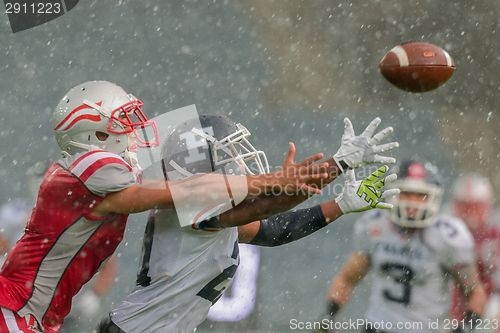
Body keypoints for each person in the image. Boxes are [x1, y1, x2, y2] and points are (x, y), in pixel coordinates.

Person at [0, 81, 325, 333]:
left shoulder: (100, 177)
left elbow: (262, 225)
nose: (132, 130)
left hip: (32, 312)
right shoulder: (88, 166)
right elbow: (186, 189)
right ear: (96, 134)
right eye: (122, 121)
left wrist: (338, 168)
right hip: (15, 308)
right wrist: (271, 180)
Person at [99, 114, 400, 333]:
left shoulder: (203, 213)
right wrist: (340, 163)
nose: (238, 161)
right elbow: (270, 203)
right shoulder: (191, 209)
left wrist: (340, 204)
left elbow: (273, 230)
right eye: (227, 154)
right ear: (195, 168)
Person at [316, 160, 487, 333]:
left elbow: (475, 293)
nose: (412, 203)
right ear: (393, 193)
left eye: (420, 195)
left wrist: (464, 328)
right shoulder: (375, 225)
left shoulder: (447, 236)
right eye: (406, 193)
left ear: (433, 197)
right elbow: (347, 279)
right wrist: (328, 316)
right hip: (378, 327)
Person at [450, 174, 500, 326]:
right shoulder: (447, 232)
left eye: (476, 206)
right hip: (452, 306)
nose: (470, 212)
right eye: (465, 206)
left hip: (488, 306)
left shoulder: (495, 234)